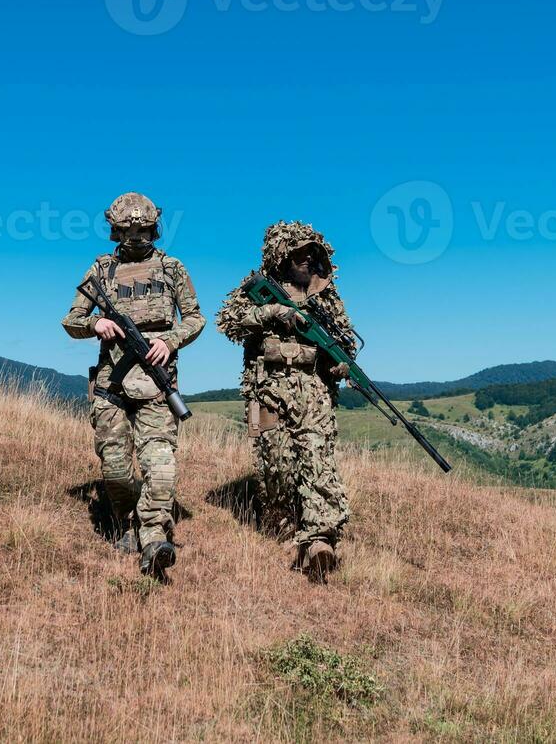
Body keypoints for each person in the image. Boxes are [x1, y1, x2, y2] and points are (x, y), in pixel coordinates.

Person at [62, 192, 204, 579]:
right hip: (112, 385)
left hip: (157, 384)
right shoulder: (101, 270)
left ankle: (155, 535)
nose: (137, 236)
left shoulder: (172, 269)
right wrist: (96, 324)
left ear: (154, 228)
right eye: (129, 230)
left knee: (160, 466)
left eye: (143, 229)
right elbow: (71, 318)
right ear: (116, 230)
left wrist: (168, 341)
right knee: (115, 469)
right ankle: (126, 521)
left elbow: (195, 318)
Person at [215, 221, 354, 581]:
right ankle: (284, 526)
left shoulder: (326, 299)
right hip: (268, 391)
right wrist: (271, 313)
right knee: (276, 465)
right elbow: (228, 321)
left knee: (317, 459)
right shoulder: (263, 289)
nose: (307, 259)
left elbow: (344, 344)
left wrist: (341, 365)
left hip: (314, 395)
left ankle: (320, 539)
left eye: (313, 254)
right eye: (299, 253)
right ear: (281, 256)